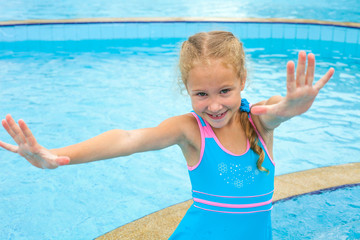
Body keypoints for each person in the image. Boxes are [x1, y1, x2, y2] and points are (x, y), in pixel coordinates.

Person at [0, 31, 334, 239]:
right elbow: (128, 138)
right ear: (186, 89)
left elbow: (277, 108)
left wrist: (289, 107)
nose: (215, 105)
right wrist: (56, 156)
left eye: (225, 90)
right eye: (201, 94)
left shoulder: (259, 121)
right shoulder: (191, 130)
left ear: (243, 80)